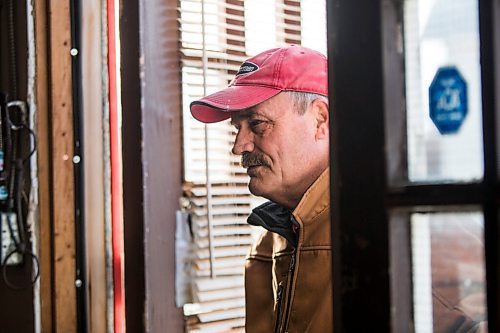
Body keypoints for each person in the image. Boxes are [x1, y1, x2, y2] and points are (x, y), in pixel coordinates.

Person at [190, 45, 332, 332]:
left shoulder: (375, 231)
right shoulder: (269, 240)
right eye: (237, 128)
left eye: (257, 124)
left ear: (319, 120)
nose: (239, 146)